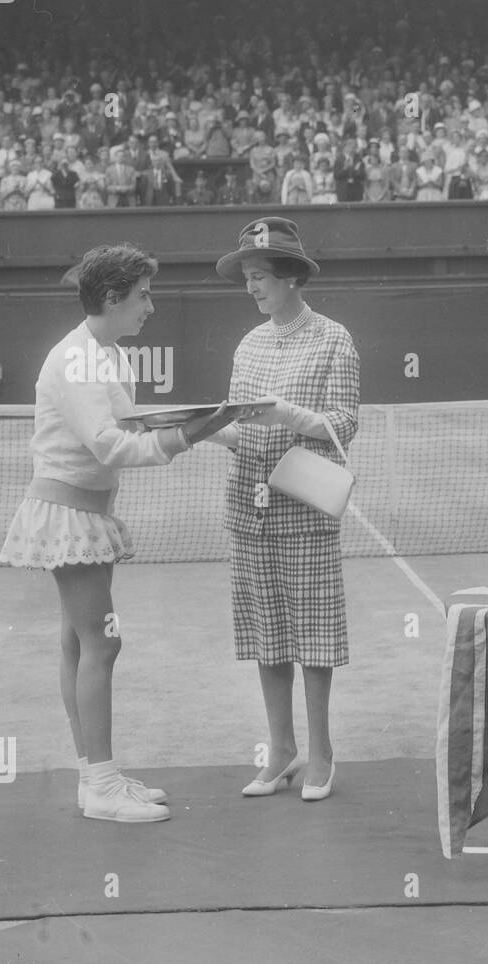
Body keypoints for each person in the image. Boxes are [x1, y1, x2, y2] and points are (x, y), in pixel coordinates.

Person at [0, 244, 240, 822]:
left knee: (80, 643)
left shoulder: (104, 354)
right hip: (69, 515)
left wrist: (209, 426)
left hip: (84, 512)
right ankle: (102, 789)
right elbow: (108, 444)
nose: (151, 307)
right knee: (101, 644)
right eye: (143, 296)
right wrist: (189, 437)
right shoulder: (78, 360)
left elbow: (129, 423)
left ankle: (95, 778)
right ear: (112, 298)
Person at [212, 217, 360, 801]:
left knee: (314, 634)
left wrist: (291, 415)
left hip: (304, 505)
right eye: (247, 277)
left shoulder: (334, 338)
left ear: (292, 277)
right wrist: (205, 429)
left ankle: (320, 752)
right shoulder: (247, 343)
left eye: (260, 276)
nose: (251, 287)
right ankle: (281, 750)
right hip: (248, 505)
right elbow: (242, 425)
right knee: (267, 632)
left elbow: (345, 423)